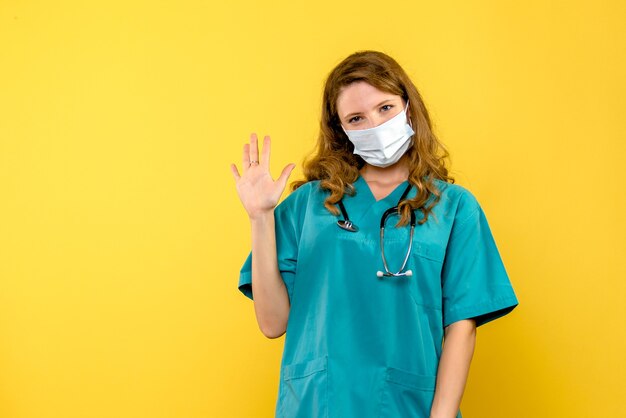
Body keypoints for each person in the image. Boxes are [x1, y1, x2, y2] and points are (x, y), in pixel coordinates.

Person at [230, 50, 519, 418]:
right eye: (356, 118)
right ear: (342, 130)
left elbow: (462, 326)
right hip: (319, 404)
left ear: (409, 108)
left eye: (385, 108)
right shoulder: (306, 205)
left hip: (408, 406)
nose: (375, 125)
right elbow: (273, 323)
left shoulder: (455, 208)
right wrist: (260, 217)